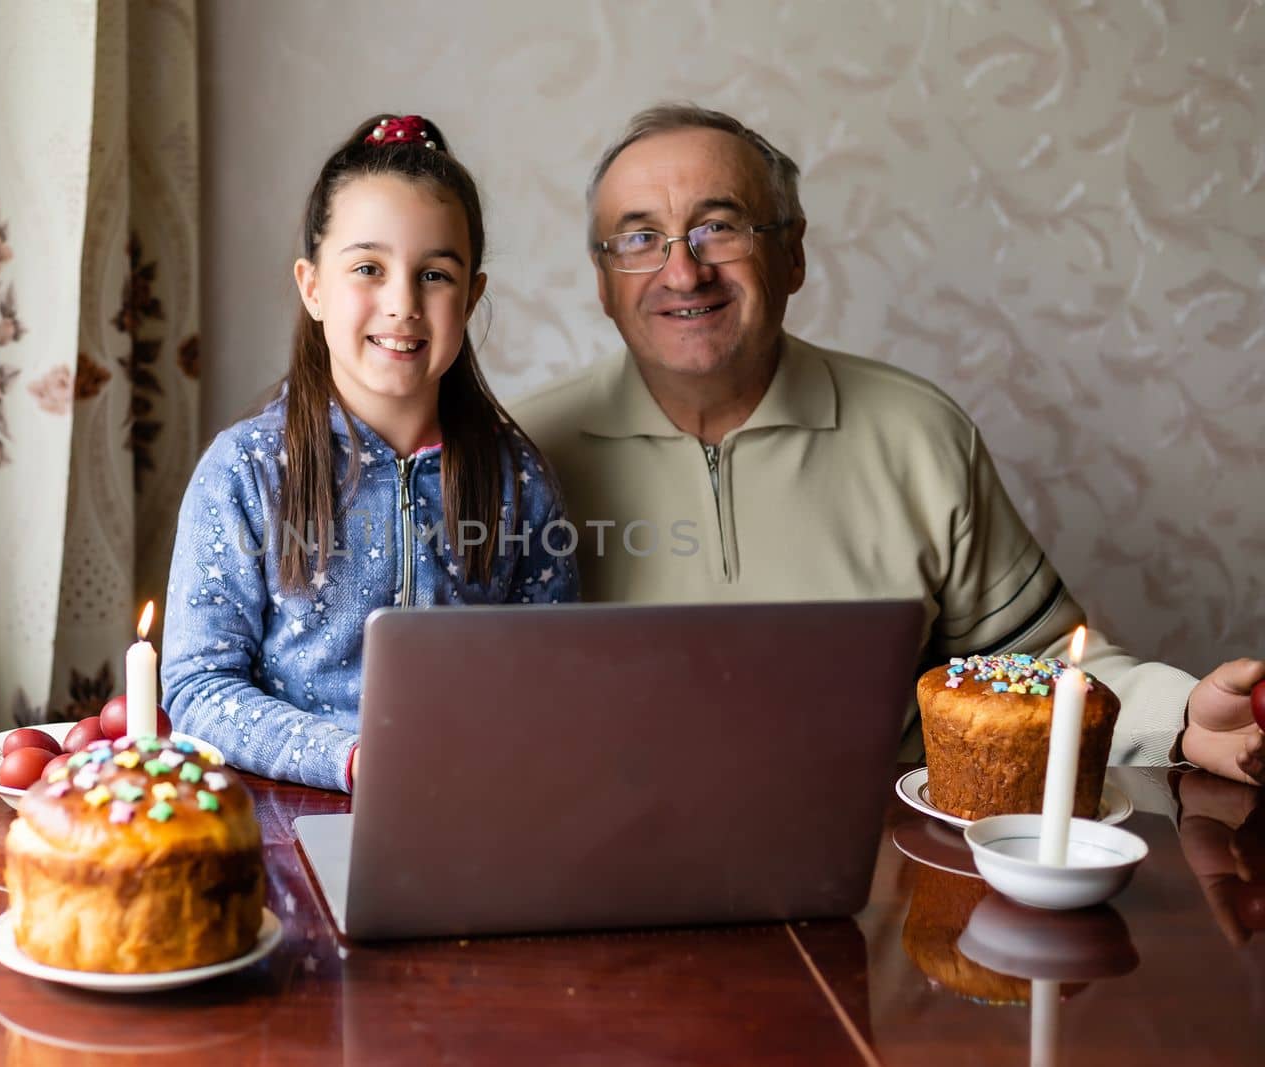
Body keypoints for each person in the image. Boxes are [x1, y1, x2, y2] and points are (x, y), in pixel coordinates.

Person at [512, 103, 1263, 784]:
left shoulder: (920, 434)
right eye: (641, 237)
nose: (683, 270)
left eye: (720, 226)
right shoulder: (518, 459)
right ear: (604, 281)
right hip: (608, 873)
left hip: (882, 885)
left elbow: (1033, 668)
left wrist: (1183, 719)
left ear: (793, 254)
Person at [162, 114, 578, 792]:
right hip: (287, 825)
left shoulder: (518, 479)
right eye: (367, 268)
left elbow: (556, 675)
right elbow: (199, 685)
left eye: (436, 275)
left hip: (472, 814)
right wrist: (352, 758)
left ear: (472, 296)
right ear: (313, 286)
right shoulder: (245, 471)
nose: (401, 303)